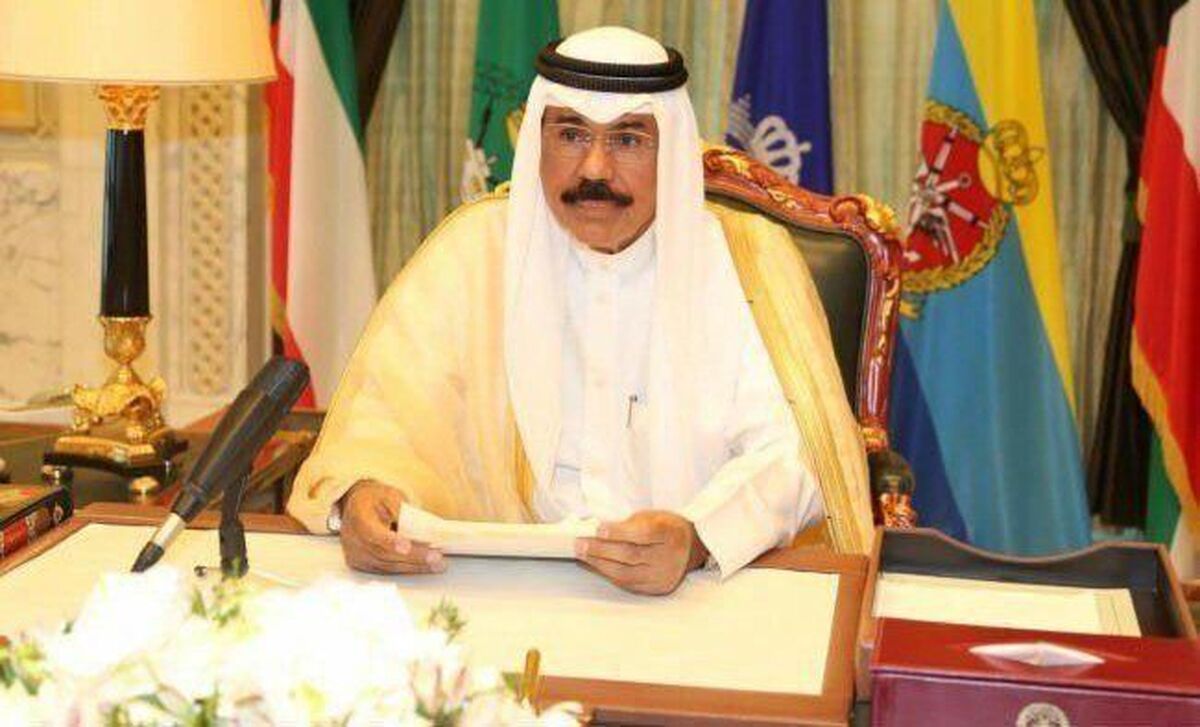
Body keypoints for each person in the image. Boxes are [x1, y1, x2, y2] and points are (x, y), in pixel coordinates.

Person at [288, 26, 872, 595]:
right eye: (571, 134)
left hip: (690, 592)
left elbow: (794, 454)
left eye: (628, 140)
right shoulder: (472, 253)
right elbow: (386, 417)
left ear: (671, 149)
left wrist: (698, 536)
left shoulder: (748, 263)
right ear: (537, 141)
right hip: (496, 588)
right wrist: (363, 496)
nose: (594, 169)